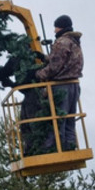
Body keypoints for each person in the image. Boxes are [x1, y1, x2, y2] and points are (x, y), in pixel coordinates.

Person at [35, 14, 84, 152]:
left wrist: (38, 74)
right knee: (69, 120)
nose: (54, 31)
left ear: (60, 27)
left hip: (61, 87)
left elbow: (55, 67)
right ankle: (70, 147)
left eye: (55, 27)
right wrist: (44, 57)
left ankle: (54, 149)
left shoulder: (62, 42)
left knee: (57, 120)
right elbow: (63, 61)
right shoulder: (74, 42)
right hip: (74, 85)